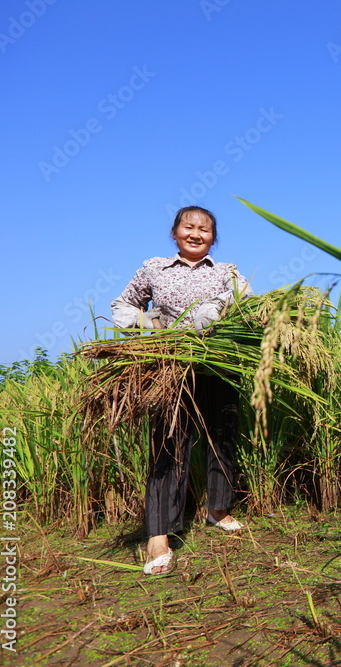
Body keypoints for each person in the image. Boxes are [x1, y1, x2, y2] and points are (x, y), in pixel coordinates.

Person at [111, 206, 252, 575]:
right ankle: (159, 534)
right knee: (168, 442)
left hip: (218, 363)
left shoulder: (227, 273)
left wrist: (222, 307)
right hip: (168, 366)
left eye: (204, 229)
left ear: (213, 238)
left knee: (222, 436)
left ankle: (218, 509)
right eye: (188, 227)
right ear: (175, 232)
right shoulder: (154, 267)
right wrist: (146, 321)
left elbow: (249, 307)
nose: (196, 233)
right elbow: (123, 304)